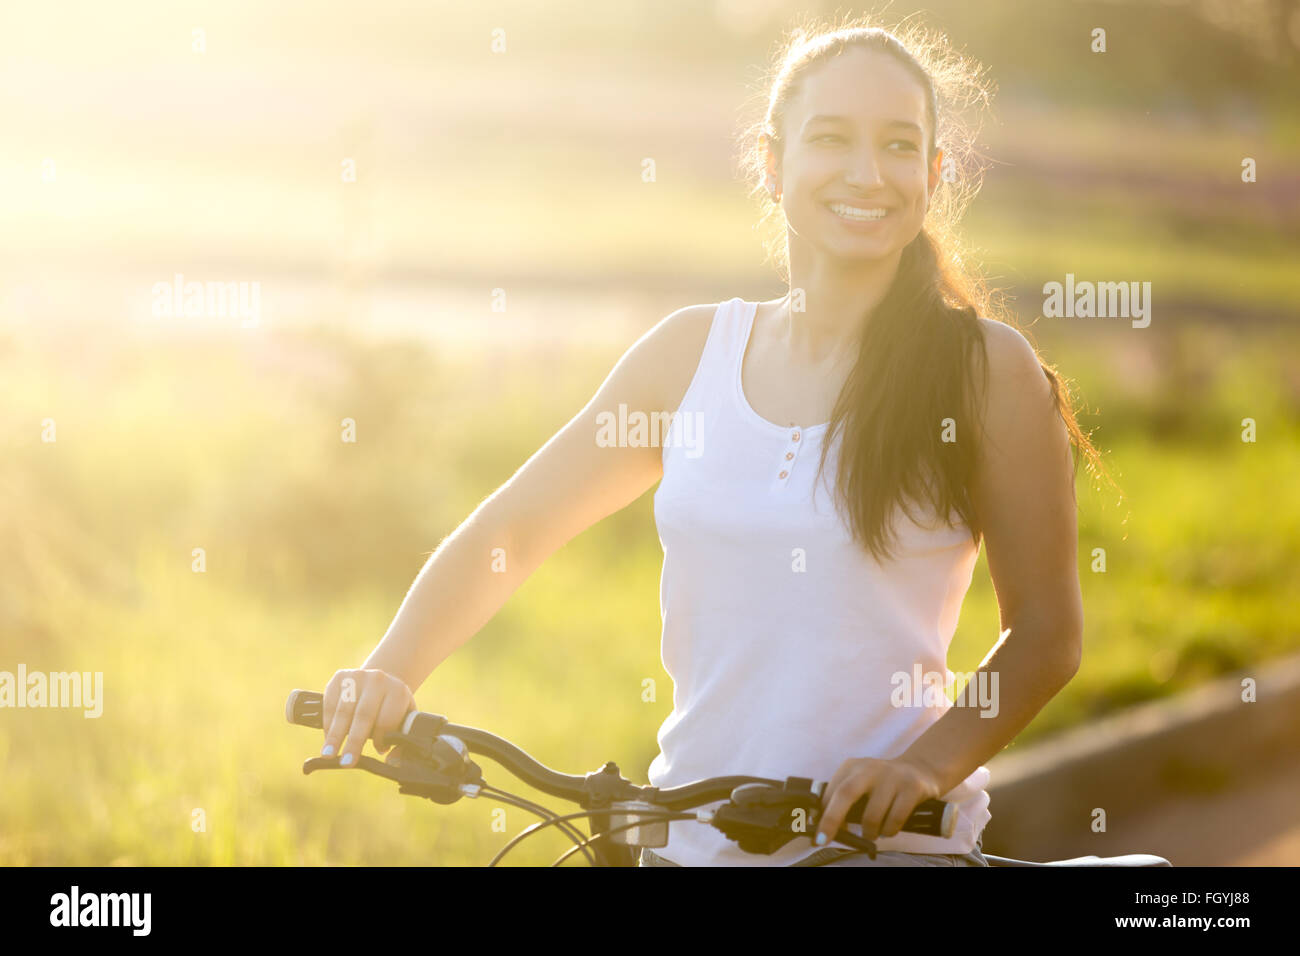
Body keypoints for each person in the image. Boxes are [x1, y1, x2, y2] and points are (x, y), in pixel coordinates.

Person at [317, 15, 1110, 866]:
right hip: (686, 838)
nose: (866, 173)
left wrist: (922, 767)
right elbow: (513, 531)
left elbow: (1045, 632)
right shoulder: (688, 356)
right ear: (772, 164)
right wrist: (391, 669)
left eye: (899, 146)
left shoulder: (984, 370)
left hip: (877, 849)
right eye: (831, 140)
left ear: (934, 174)